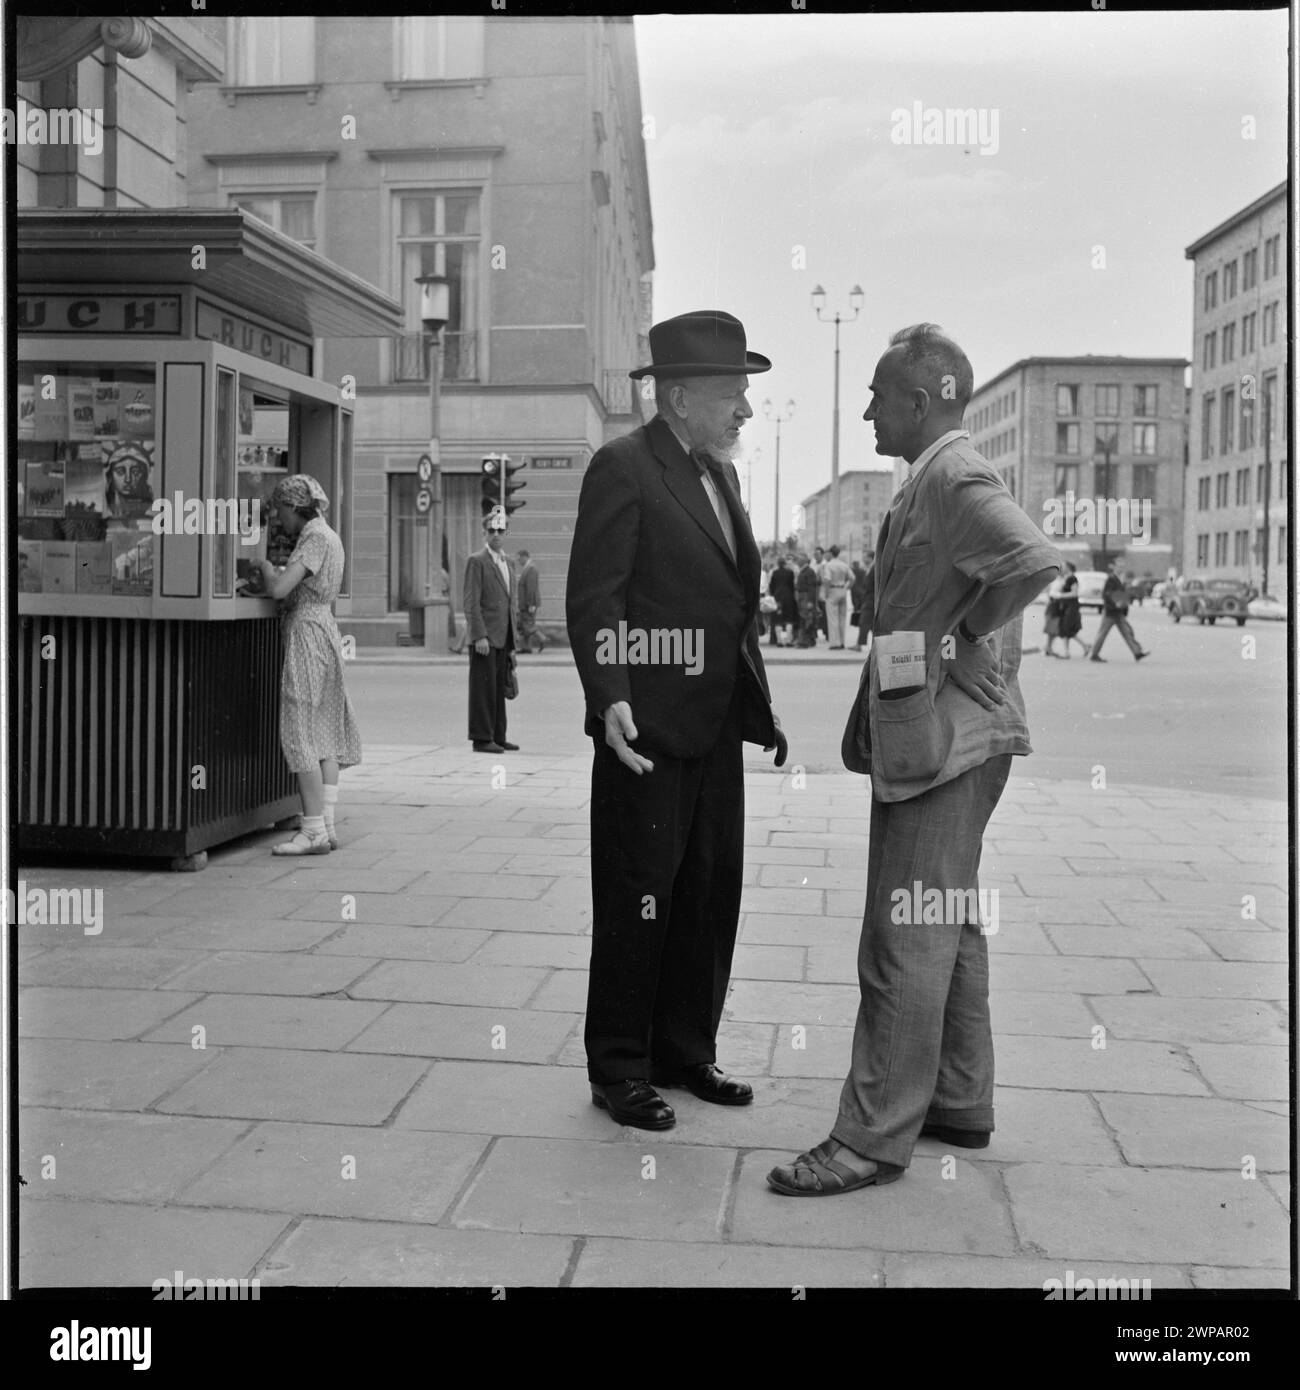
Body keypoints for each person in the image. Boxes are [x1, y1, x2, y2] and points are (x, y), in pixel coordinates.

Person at [768, 323, 1060, 1196]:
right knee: (946, 916)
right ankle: (958, 1101)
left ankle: (870, 1138)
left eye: (878, 395)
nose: (867, 410)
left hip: (948, 744)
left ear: (924, 398)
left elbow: (1034, 559)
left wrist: (961, 630)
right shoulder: (930, 478)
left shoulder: (957, 473)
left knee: (903, 932)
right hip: (938, 739)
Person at [567, 308, 788, 1131]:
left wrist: (756, 703)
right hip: (648, 734)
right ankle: (620, 1064)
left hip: (714, 726)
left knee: (704, 894)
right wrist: (610, 694)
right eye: (733, 394)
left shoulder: (719, 476)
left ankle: (685, 1049)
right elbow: (596, 596)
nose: (745, 410)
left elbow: (731, 601)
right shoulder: (622, 467)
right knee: (639, 896)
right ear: (681, 397)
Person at [257, 474, 361, 855]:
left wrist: (265, 567)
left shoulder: (314, 537)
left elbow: (280, 589)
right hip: (326, 629)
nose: (278, 518)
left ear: (294, 506)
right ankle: (327, 823)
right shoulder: (329, 534)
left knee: (300, 725)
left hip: (307, 633)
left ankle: (313, 828)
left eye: (280, 510)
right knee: (325, 730)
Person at [465, 514, 519, 752]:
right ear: (484, 533)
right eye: (491, 530)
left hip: (503, 637)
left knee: (498, 688)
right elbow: (471, 602)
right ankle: (481, 738)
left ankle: (498, 735)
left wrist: (513, 641)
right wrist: (479, 636)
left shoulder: (510, 563)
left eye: (500, 530)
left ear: (506, 533)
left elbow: (511, 604)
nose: (496, 534)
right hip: (485, 639)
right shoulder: (477, 561)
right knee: (482, 690)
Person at [1089, 558, 1148, 662]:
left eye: (1123, 566)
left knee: (1127, 631)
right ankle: (1094, 654)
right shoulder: (1111, 578)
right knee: (1103, 632)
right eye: (1120, 566)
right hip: (1111, 612)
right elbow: (1106, 594)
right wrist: (1115, 603)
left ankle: (1137, 652)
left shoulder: (1119, 579)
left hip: (1118, 612)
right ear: (1115, 567)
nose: (1121, 568)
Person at [823, 544, 854, 648]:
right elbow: (852, 578)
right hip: (842, 589)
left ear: (831, 553)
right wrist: (847, 588)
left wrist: (826, 592)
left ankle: (834, 643)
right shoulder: (843, 564)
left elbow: (827, 579)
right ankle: (842, 642)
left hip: (832, 590)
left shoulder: (829, 565)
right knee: (842, 618)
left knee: (832, 618)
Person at [1056, 561, 1087, 657]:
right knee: (1067, 630)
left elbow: (1074, 593)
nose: (1062, 568)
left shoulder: (1073, 578)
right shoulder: (1067, 578)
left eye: (1064, 566)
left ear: (1068, 568)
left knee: (1067, 629)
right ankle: (1084, 647)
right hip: (1066, 607)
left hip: (1072, 607)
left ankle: (1067, 652)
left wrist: (1060, 595)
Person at [515, 548, 542, 653]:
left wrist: (531, 604)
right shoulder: (528, 568)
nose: (518, 561)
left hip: (528, 603)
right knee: (524, 624)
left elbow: (531, 588)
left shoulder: (531, 569)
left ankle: (542, 639)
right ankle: (526, 647)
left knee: (527, 625)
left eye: (519, 559)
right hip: (525, 603)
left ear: (524, 557)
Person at [767, 555, 796, 646]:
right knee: (789, 619)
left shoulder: (775, 573)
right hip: (788, 597)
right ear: (785, 563)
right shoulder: (790, 572)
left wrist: (773, 595)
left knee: (778, 619)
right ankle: (789, 640)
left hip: (778, 597)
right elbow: (792, 586)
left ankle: (779, 641)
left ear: (778, 564)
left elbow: (771, 586)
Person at [794, 552, 819, 646]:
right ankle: (810, 640)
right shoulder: (803, 571)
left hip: (806, 597)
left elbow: (812, 587)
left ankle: (805, 641)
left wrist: (810, 601)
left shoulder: (809, 571)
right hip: (802, 597)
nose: (797, 561)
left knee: (806, 618)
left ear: (803, 561)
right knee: (804, 618)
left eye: (799, 559)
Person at [849, 559, 870, 651]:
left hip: (868, 599)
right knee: (870, 623)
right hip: (866, 597)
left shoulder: (871, 569)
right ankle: (861, 644)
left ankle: (859, 645)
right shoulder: (865, 570)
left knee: (864, 622)